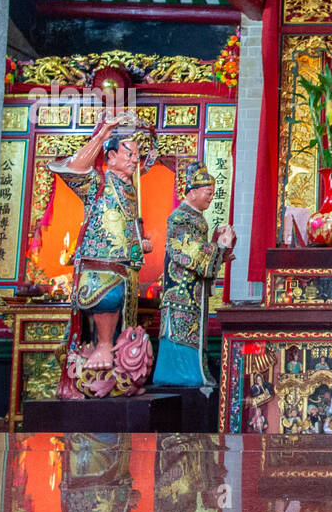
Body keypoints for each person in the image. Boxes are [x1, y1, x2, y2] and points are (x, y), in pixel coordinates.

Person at [50, 113, 154, 373]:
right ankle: (103, 345)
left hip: (127, 267)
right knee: (106, 299)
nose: (134, 160)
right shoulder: (98, 182)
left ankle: (118, 358)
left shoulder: (132, 189)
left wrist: (140, 243)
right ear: (110, 157)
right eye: (128, 154)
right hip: (101, 265)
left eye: (136, 156)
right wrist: (101, 136)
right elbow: (73, 169)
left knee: (125, 319)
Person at [152, 161, 236, 386]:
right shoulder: (180, 218)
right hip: (180, 292)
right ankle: (180, 375)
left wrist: (220, 253)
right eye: (208, 193)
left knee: (193, 332)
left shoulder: (196, 218)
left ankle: (195, 372)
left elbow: (201, 254)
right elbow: (189, 252)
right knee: (180, 332)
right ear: (193, 192)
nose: (211, 198)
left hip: (193, 291)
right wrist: (218, 247)